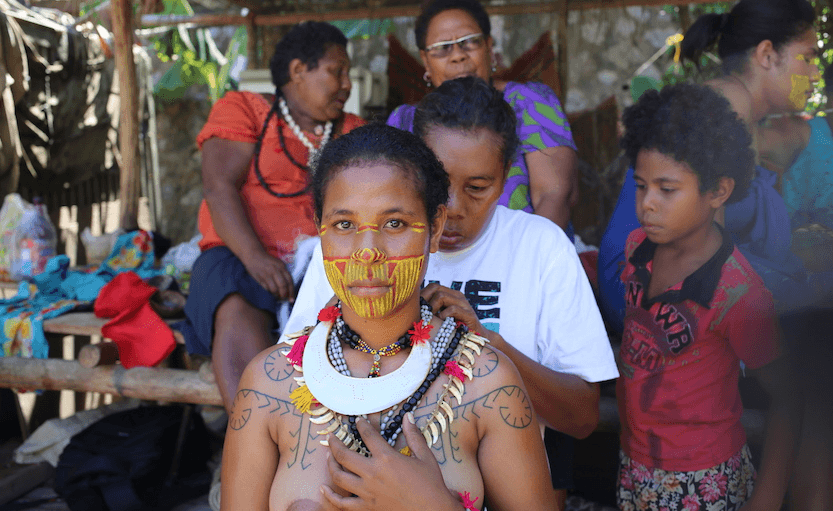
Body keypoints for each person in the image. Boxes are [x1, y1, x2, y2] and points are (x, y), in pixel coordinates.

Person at [281, 77, 618, 509]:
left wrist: (486, 344)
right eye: (439, 184)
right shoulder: (356, 253)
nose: (454, 207)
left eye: (478, 187)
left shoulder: (542, 248)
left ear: (507, 175)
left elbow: (582, 417)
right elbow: (294, 382)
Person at [220, 123, 556, 511]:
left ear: (435, 227)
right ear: (320, 230)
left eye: (394, 223)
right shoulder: (267, 384)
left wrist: (434, 505)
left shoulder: (489, 384)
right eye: (345, 225)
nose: (367, 252)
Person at [616, 83, 797, 511]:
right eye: (641, 186)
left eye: (667, 189)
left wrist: (768, 495)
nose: (647, 205)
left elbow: (789, 394)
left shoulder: (739, 295)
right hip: (635, 465)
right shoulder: (636, 250)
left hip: (704, 481)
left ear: (718, 191)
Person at [176, 21, 365, 412]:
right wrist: (256, 260)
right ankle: (255, 432)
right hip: (238, 255)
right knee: (234, 297)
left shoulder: (352, 131)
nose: (347, 83)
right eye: (337, 70)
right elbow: (218, 188)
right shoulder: (244, 108)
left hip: (322, 262)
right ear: (298, 70)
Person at [599, 0, 820, 329]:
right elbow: (705, 260)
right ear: (767, 55)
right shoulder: (727, 104)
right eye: (808, 58)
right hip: (641, 282)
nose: (816, 73)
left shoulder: (744, 113)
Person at [387, 0, 579, 234]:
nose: (458, 55)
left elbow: (555, 195)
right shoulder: (404, 121)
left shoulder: (529, 102)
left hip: (521, 254)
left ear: (488, 46)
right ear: (425, 60)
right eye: (442, 47)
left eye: (469, 42)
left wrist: (528, 263)